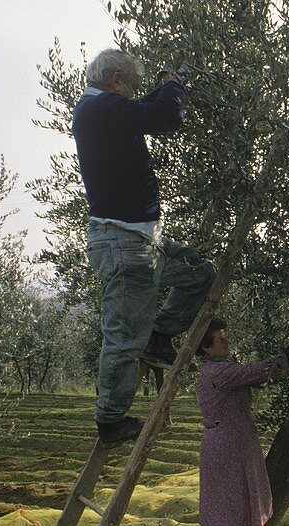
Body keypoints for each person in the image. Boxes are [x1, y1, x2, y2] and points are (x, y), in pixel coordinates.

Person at [72, 49, 216, 449]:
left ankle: (160, 334)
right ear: (116, 79)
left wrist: (165, 85)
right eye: (131, 85)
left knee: (198, 273)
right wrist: (172, 85)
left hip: (141, 241)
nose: (133, 94)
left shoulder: (103, 109)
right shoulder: (99, 109)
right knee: (122, 338)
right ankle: (111, 419)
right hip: (123, 244)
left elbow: (144, 111)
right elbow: (164, 118)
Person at [186, 318, 289, 526]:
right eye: (219, 338)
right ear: (206, 348)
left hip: (237, 444)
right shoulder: (217, 373)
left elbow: (255, 376)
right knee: (226, 506)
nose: (226, 340)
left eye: (224, 335)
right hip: (226, 448)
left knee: (239, 501)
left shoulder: (221, 369)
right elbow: (257, 371)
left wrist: (287, 360)